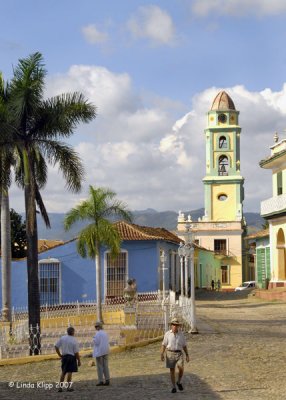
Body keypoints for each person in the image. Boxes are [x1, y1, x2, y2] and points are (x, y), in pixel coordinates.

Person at [161, 317, 189, 393]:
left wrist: (187, 354)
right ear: (171, 325)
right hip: (170, 353)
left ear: (178, 326)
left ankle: (179, 382)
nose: (174, 326)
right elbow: (164, 344)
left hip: (179, 353)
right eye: (173, 325)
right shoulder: (167, 334)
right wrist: (162, 353)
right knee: (172, 370)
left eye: (176, 325)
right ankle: (173, 387)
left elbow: (184, 345)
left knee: (181, 368)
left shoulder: (181, 334)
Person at [55, 326, 81, 392]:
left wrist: (60, 355)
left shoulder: (63, 338)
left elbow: (56, 346)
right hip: (71, 357)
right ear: (73, 332)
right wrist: (79, 360)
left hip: (64, 357)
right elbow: (76, 352)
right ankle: (68, 387)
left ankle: (60, 387)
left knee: (63, 372)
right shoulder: (74, 340)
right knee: (70, 372)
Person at [93, 321, 110, 386]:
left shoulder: (97, 334)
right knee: (106, 366)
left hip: (99, 352)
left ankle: (100, 381)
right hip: (105, 351)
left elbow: (96, 342)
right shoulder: (105, 333)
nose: (95, 328)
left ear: (98, 327)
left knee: (100, 367)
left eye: (96, 326)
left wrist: (93, 339)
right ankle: (107, 379)